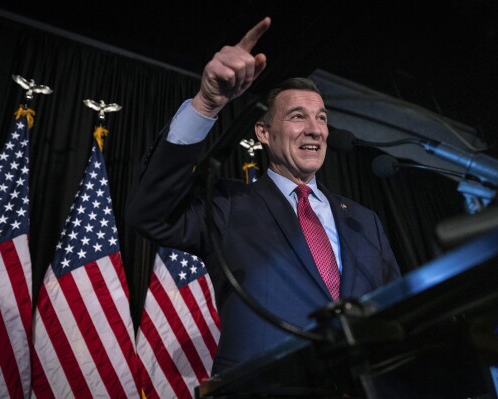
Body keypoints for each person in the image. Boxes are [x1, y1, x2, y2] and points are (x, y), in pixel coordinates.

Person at [125, 16, 400, 381]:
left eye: (321, 118)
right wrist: (206, 104)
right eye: (298, 116)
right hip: (267, 386)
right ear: (264, 132)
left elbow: (395, 310)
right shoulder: (227, 204)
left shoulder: (363, 220)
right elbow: (150, 214)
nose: (315, 129)